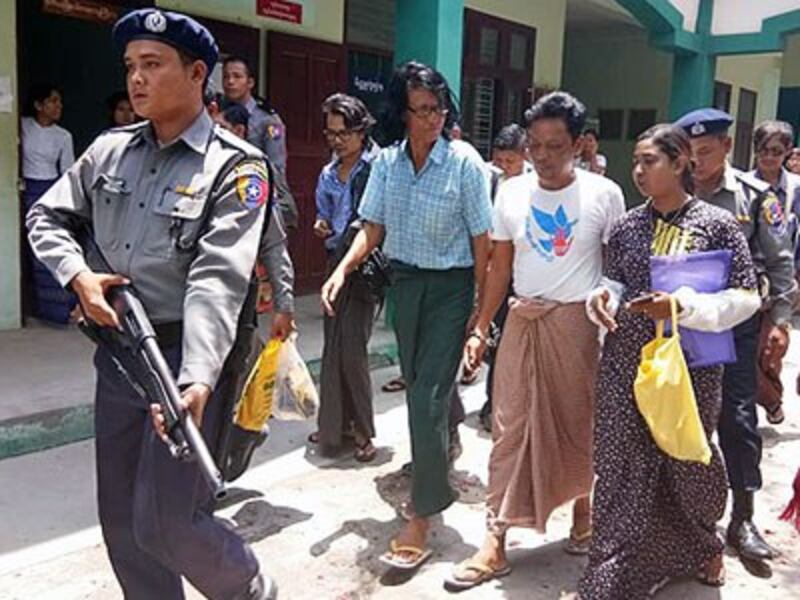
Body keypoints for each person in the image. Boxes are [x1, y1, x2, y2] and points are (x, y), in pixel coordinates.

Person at [26, 9, 277, 599]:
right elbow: (47, 216)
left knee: (166, 519)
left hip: (186, 353)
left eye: (152, 65)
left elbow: (218, 280)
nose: (136, 79)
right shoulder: (108, 152)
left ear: (196, 74)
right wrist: (79, 277)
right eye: (131, 66)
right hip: (118, 353)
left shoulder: (236, 168)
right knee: (119, 519)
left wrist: (196, 378)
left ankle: (248, 585)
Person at [446, 92, 625, 591]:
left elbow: (617, 265)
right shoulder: (511, 193)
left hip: (579, 329)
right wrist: (481, 325)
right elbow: (499, 265)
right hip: (524, 323)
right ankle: (495, 540)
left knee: (578, 425)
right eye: (535, 145)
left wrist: (610, 305)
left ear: (580, 144)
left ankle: (584, 515)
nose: (543, 157)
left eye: (556, 146)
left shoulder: (604, 194)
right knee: (509, 428)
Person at [321, 61, 492, 571]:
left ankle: (423, 512)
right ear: (401, 113)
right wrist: (341, 272)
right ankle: (435, 465)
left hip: (453, 288)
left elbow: (483, 244)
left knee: (426, 396)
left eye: (437, 108)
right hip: (406, 286)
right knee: (422, 389)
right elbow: (371, 227)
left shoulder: (464, 162)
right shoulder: (389, 165)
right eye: (419, 110)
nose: (430, 119)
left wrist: (480, 319)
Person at [579, 123, 759, 598]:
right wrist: (601, 297)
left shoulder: (718, 224)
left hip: (691, 366)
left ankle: (703, 544)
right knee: (620, 459)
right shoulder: (626, 227)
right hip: (627, 363)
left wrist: (684, 308)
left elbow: (747, 296)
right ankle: (614, 566)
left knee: (686, 458)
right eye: (635, 162)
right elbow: (614, 280)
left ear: (680, 163)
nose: (638, 171)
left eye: (649, 161)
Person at [675, 108, 795, 563]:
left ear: (727, 147)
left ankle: (742, 516)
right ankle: (684, 516)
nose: (698, 162)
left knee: (739, 418)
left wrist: (780, 322)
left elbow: (781, 264)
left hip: (740, 324)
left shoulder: (755, 199)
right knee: (680, 414)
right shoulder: (674, 191)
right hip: (683, 323)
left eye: (706, 152)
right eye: (690, 153)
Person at [309, 93, 378, 461]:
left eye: (343, 134)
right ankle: (334, 427)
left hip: (362, 269)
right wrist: (321, 224)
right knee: (331, 347)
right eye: (330, 133)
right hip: (332, 262)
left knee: (352, 350)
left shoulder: (377, 167)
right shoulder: (328, 172)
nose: (336, 141)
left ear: (361, 132)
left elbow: (373, 223)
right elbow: (326, 214)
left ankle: (364, 431)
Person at [478, 123, 533, 431]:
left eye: (510, 161)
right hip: (495, 269)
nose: (504, 167)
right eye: (500, 160)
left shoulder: (536, 185)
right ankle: (492, 403)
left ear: (524, 156)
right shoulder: (489, 180)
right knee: (496, 342)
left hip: (523, 275)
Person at [750, 120, 800, 425]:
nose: (769, 157)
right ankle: (769, 399)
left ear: (787, 153)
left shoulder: (795, 190)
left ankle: (770, 395)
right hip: (752, 280)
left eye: (776, 151)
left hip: (785, 279)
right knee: (751, 348)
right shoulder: (745, 186)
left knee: (772, 347)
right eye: (763, 151)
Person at [21, 83, 77, 322]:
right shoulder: (24, 126)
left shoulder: (63, 136)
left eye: (59, 102)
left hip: (50, 190)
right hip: (26, 189)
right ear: (38, 105)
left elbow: (67, 171)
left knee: (49, 249)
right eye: (53, 101)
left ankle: (58, 311)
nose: (58, 107)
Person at [223, 55, 298, 229]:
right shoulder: (218, 112)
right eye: (226, 76)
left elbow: (276, 166)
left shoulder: (268, 120)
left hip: (255, 192)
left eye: (237, 76)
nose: (230, 81)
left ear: (250, 83)